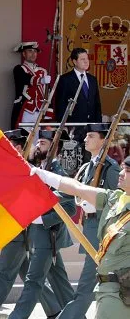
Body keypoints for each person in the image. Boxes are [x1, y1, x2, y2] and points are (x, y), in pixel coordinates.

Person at [0, 129, 61, 319]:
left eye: (10, 145)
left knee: (4, 276)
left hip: (17, 229)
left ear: (19, 147)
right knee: (27, 275)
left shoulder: (25, 170)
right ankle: (54, 309)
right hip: (19, 230)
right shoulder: (14, 168)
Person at [31, 156, 130, 318]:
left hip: (122, 291)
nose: (120, 173)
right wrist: (43, 175)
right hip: (107, 289)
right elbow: (77, 188)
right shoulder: (113, 198)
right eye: (122, 168)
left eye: (127, 170)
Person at [8, 130, 76, 319]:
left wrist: (43, 219)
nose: (38, 146)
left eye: (44, 143)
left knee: (33, 281)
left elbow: (70, 207)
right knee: (59, 282)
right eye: (39, 143)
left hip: (49, 236)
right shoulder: (37, 168)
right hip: (36, 235)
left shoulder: (58, 172)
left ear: (55, 147)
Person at [56, 123, 121, 319]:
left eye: (91, 136)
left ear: (104, 140)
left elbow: (116, 199)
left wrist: (97, 205)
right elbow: (72, 191)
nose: (85, 139)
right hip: (90, 228)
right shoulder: (86, 167)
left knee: (86, 281)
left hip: (103, 230)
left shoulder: (111, 167)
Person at [55, 47, 102, 127]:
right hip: (73, 126)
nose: (86, 61)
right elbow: (60, 105)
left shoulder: (92, 79)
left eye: (87, 58)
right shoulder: (65, 79)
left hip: (91, 126)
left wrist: (98, 125)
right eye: (82, 59)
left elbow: (97, 104)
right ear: (74, 61)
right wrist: (63, 126)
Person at [10, 42, 52, 129]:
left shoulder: (43, 71)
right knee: (24, 138)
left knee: (39, 139)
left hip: (40, 110)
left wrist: (49, 112)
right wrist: (41, 80)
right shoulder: (19, 69)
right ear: (24, 54)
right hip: (26, 109)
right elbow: (25, 79)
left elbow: (47, 93)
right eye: (30, 51)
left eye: (35, 52)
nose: (33, 54)